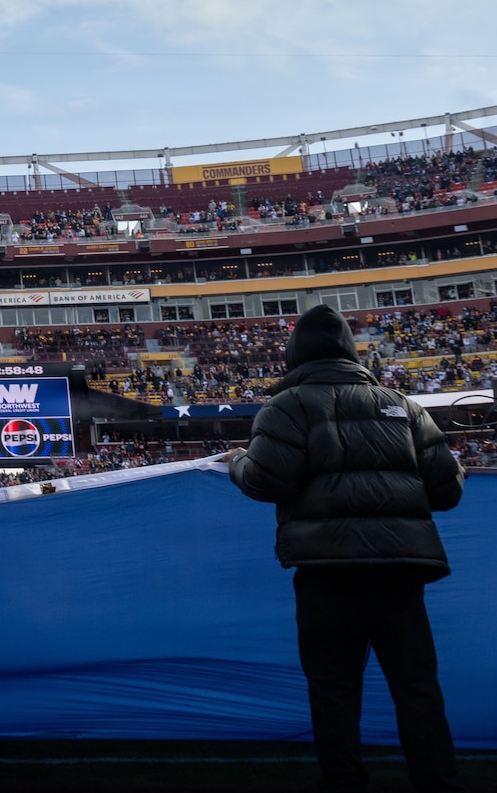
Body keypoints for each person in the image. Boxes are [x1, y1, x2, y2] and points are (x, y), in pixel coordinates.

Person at [229, 305, 465, 793]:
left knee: (334, 691)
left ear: (297, 353)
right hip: (400, 571)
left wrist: (236, 460)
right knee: (418, 690)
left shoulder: (288, 406)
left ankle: (344, 783)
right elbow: (448, 492)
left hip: (327, 570)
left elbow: (265, 479)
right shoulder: (403, 405)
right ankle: (439, 784)